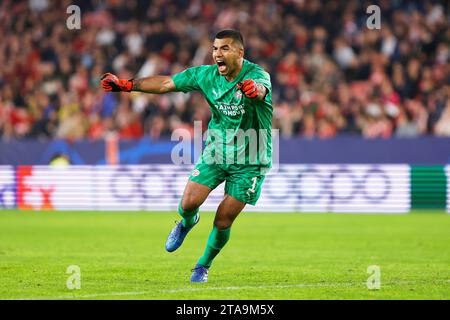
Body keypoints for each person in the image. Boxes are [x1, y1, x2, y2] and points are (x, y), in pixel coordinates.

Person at [101, 29, 272, 283]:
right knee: (189, 203)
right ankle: (187, 221)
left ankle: (202, 266)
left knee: (224, 219)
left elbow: (262, 90)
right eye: (215, 49)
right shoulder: (205, 75)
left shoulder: (257, 75)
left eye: (224, 48)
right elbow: (167, 83)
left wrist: (254, 90)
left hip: (251, 160)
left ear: (239, 52)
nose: (217, 54)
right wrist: (128, 85)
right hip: (217, 151)